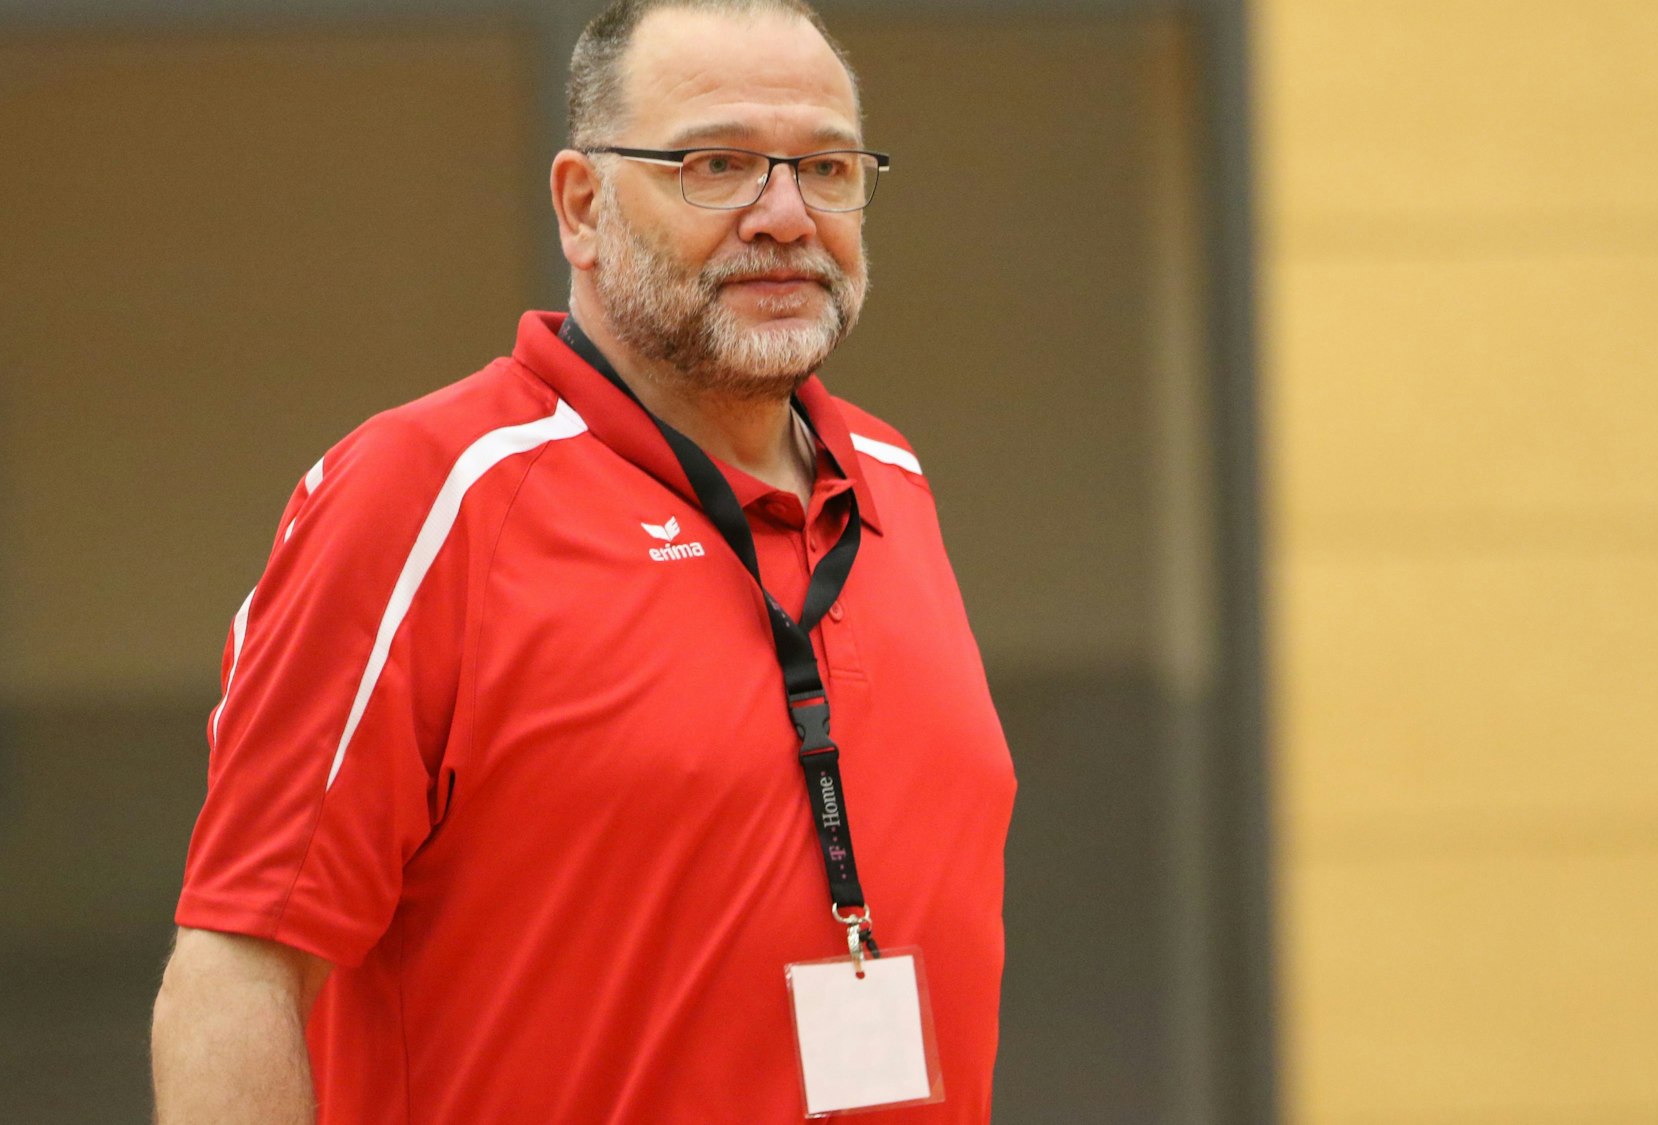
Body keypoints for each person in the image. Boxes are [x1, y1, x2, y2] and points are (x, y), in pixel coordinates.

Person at [150, 1, 1014, 1121]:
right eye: (716, 165)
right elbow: (238, 973)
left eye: (826, 167)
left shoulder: (890, 479)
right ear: (581, 206)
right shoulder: (428, 493)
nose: (785, 216)